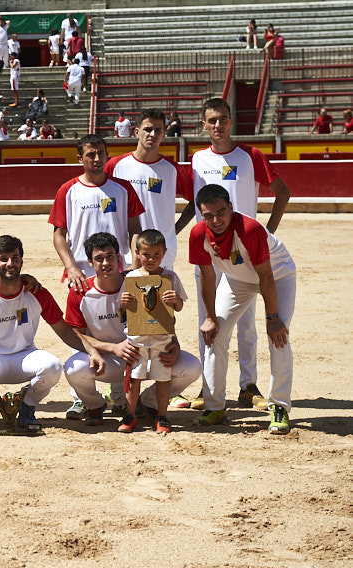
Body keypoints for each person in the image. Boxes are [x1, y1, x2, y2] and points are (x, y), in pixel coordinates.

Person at [180, 97, 291, 411]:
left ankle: (248, 385)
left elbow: (283, 192)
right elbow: (194, 204)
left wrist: (267, 233)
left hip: (246, 251)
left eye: (223, 119)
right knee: (208, 318)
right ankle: (209, 386)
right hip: (209, 250)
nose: (218, 125)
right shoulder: (197, 159)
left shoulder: (250, 155)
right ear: (204, 125)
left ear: (231, 121)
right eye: (212, 120)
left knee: (246, 323)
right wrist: (175, 230)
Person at [64, 232, 201, 427]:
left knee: (192, 367)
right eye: (99, 259)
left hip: (143, 351)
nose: (105, 263)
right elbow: (75, 334)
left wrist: (174, 344)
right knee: (74, 368)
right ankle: (94, 404)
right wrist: (113, 348)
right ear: (89, 262)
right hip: (108, 359)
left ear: (119, 258)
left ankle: (148, 403)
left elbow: (160, 316)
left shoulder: (138, 281)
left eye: (110, 257)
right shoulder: (80, 291)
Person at [190, 184, 296, 433]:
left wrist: (272, 317)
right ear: (201, 215)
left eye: (221, 212)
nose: (215, 220)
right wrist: (210, 317)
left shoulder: (249, 229)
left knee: (278, 336)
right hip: (237, 279)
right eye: (208, 216)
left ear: (230, 207)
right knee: (214, 334)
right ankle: (215, 406)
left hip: (278, 276)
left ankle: (279, 406)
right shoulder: (197, 234)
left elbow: (267, 277)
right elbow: (207, 278)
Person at [0, 235, 92, 431]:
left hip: (23, 357)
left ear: (21, 261)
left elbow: (65, 332)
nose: (10, 263)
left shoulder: (36, 292)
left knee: (52, 366)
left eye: (15, 258)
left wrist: (93, 351)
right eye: (4, 259)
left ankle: (27, 407)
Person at [50, 133, 144, 293]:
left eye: (101, 153)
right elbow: (59, 235)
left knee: (121, 317)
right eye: (91, 155)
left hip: (118, 268)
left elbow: (135, 230)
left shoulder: (124, 188)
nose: (97, 159)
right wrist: (70, 267)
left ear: (107, 155)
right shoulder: (67, 190)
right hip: (81, 271)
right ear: (80, 158)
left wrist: (135, 265)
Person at [117, 229, 187, 433]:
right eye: (146, 254)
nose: (151, 259)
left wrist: (175, 300)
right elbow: (123, 309)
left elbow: (180, 306)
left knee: (163, 377)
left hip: (162, 336)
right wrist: (123, 302)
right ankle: (130, 414)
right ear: (137, 253)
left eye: (156, 254)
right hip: (137, 336)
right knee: (134, 377)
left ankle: (162, 416)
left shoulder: (170, 276)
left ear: (164, 253)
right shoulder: (130, 277)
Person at [105, 109, 191, 269]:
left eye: (158, 130)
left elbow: (196, 200)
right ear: (136, 132)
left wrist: (175, 229)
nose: (153, 134)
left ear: (164, 134)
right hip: (125, 256)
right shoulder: (115, 166)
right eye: (148, 129)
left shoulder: (172, 169)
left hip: (161, 256)